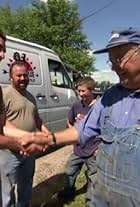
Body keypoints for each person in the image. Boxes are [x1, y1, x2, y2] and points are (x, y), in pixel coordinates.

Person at [22, 27, 140, 207]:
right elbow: (82, 130)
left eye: (120, 58)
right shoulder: (109, 96)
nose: (116, 67)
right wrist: (49, 138)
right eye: (111, 62)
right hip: (100, 197)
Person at [1, 60, 49, 207]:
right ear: (11, 77)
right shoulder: (4, 95)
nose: (23, 78)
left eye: (25, 75)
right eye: (19, 75)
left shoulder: (30, 96)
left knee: (26, 188)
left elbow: (37, 119)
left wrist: (46, 133)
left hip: (29, 153)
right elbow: (2, 124)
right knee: (6, 193)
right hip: (10, 152)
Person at [57, 77, 100, 206]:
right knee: (70, 172)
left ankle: (91, 200)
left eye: (83, 91)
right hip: (78, 149)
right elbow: (69, 120)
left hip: (93, 150)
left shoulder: (99, 107)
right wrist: (74, 135)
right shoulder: (77, 105)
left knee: (94, 178)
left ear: (91, 91)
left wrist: (100, 147)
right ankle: (68, 192)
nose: (80, 94)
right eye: (78, 91)